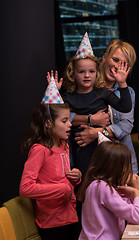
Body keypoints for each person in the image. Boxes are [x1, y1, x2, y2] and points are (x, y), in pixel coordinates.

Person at [49, 34, 132, 178]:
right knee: (83, 184)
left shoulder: (103, 93)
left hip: (101, 149)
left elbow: (125, 107)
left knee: (103, 183)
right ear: (73, 74)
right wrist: (54, 92)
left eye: (91, 72)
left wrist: (122, 83)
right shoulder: (69, 97)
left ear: (96, 73)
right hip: (77, 148)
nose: (87, 75)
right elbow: (53, 115)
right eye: (82, 72)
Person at [20, 101, 81, 240]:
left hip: (71, 217)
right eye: (64, 121)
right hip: (52, 224)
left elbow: (63, 179)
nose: (70, 124)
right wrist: (61, 189)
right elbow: (25, 188)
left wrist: (76, 178)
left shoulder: (64, 145)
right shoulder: (40, 150)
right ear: (48, 123)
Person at [77, 141, 139, 240]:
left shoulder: (99, 185)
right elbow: (138, 217)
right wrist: (136, 193)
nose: (129, 171)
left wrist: (137, 192)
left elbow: (134, 211)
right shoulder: (103, 187)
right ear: (115, 167)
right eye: (127, 166)